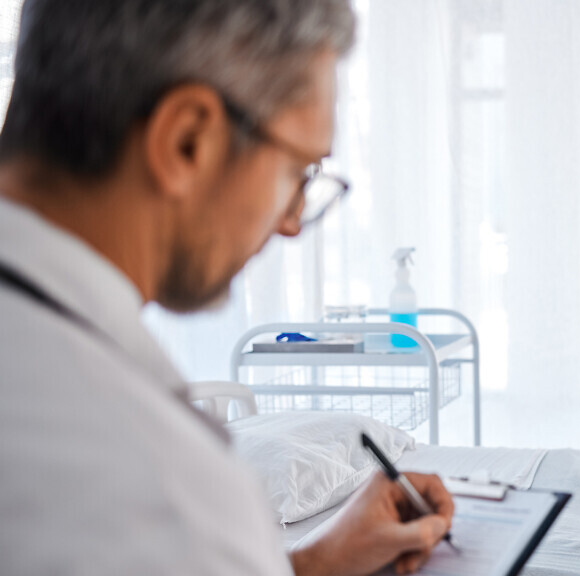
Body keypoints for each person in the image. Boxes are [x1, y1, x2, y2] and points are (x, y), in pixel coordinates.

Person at [0, 1, 452, 575]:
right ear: (188, 139)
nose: (291, 222)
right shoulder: (152, 475)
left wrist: (310, 564)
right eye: (298, 173)